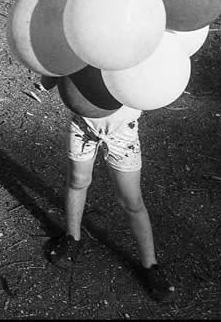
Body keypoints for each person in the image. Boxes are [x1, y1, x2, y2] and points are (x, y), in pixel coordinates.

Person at [43, 82, 175, 303]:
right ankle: (72, 238)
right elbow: (48, 78)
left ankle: (151, 266)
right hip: (83, 123)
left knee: (131, 201)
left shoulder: (135, 58)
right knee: (77, 181)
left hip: (123, 130)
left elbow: (151, 84)